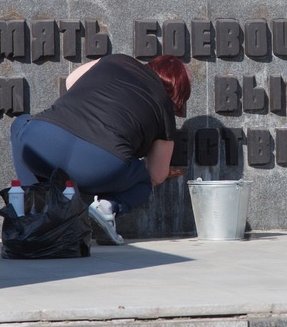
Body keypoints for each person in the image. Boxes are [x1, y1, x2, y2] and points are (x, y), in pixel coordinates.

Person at [10, 53, 191, 241]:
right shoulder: (165, 109)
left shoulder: (117, 60)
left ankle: (33, 207)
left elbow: (71, 81)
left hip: (43, 142)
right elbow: (157, 175)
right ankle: (106, 209)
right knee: (143, 181)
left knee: (20, 125)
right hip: (99, 166)